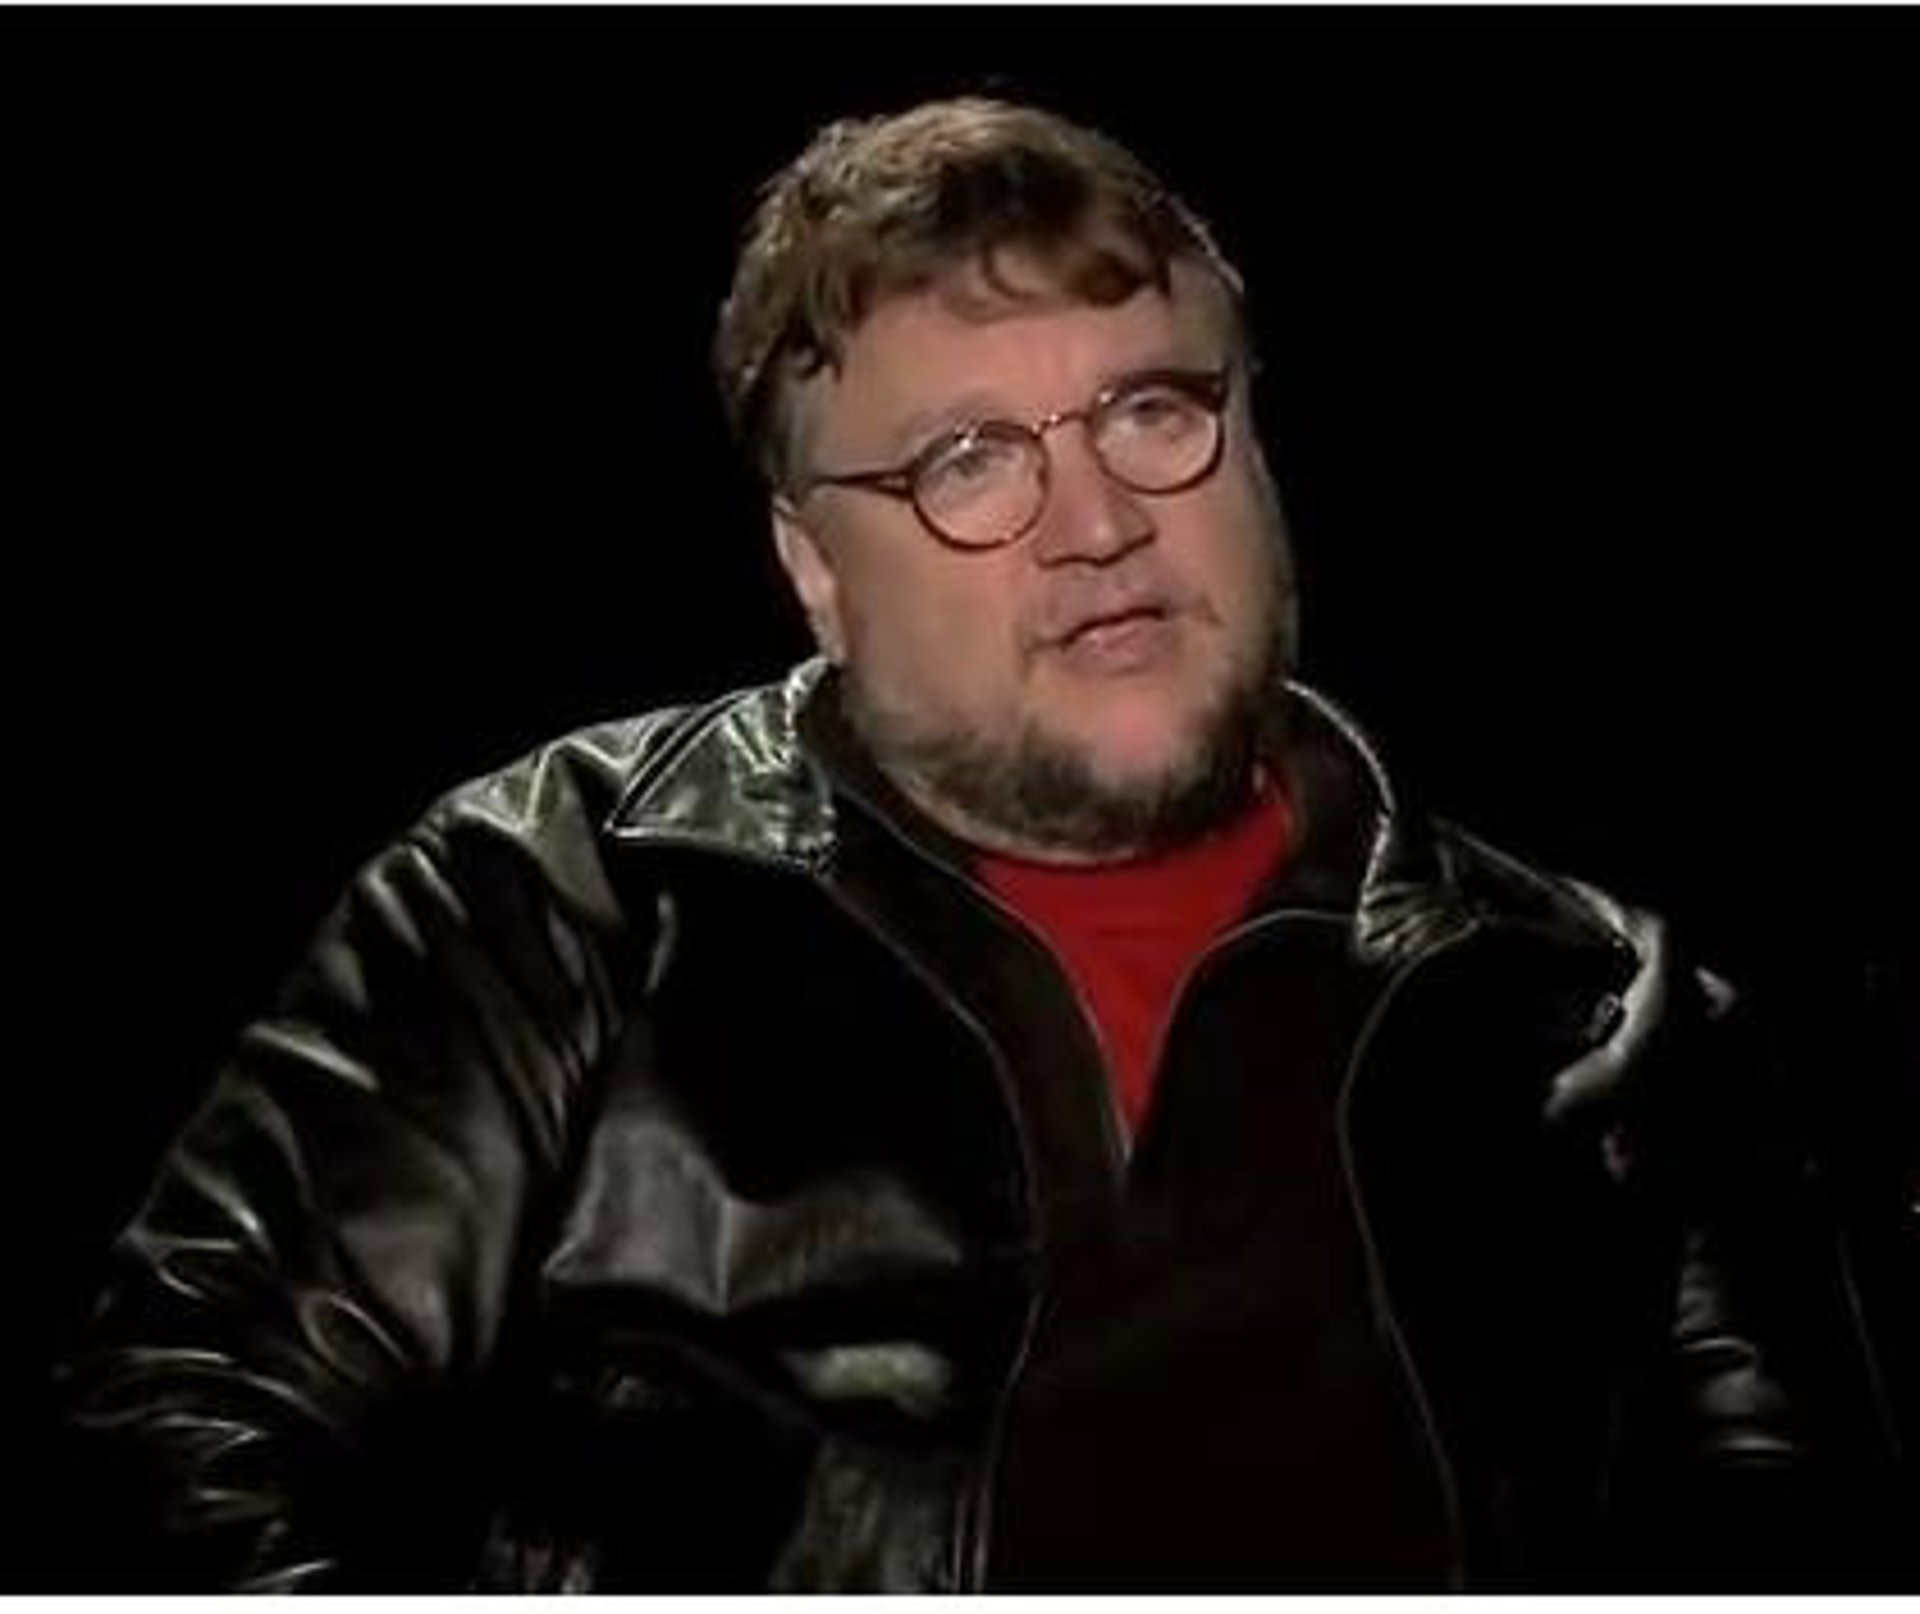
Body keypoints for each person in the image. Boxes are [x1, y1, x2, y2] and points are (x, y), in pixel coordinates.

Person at [60, 96, 1905, 1591]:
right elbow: (166, 1430)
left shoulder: (1592, 1013)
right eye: (968, 460)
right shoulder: (555, 896)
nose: (1096, 521)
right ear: (812, 568)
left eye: (1154, 411)